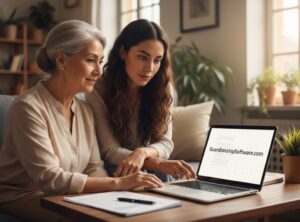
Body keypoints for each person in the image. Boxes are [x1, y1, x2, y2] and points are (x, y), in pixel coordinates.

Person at [0, 20, 163, 222]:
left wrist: (116, 195)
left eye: (100, 62)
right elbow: (50, 179)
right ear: (61, 60)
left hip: (66, 194)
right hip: (24, 195)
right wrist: (119, 184)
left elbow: (94, 166)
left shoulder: (84, 110)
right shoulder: (28, 108)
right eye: (90, 60)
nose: (98, 70)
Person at [86, 19, 196, 181]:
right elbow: (109, 150)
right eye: (142, 57)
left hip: (147, 162)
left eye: (157, 60)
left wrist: (142, 152)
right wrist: (156, 163)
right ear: (123, 52)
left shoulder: (163, 87)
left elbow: (166, 143)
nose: (150, 69)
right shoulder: (98, 88)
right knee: (147, 170)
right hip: (113, 166)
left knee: (164, 174)